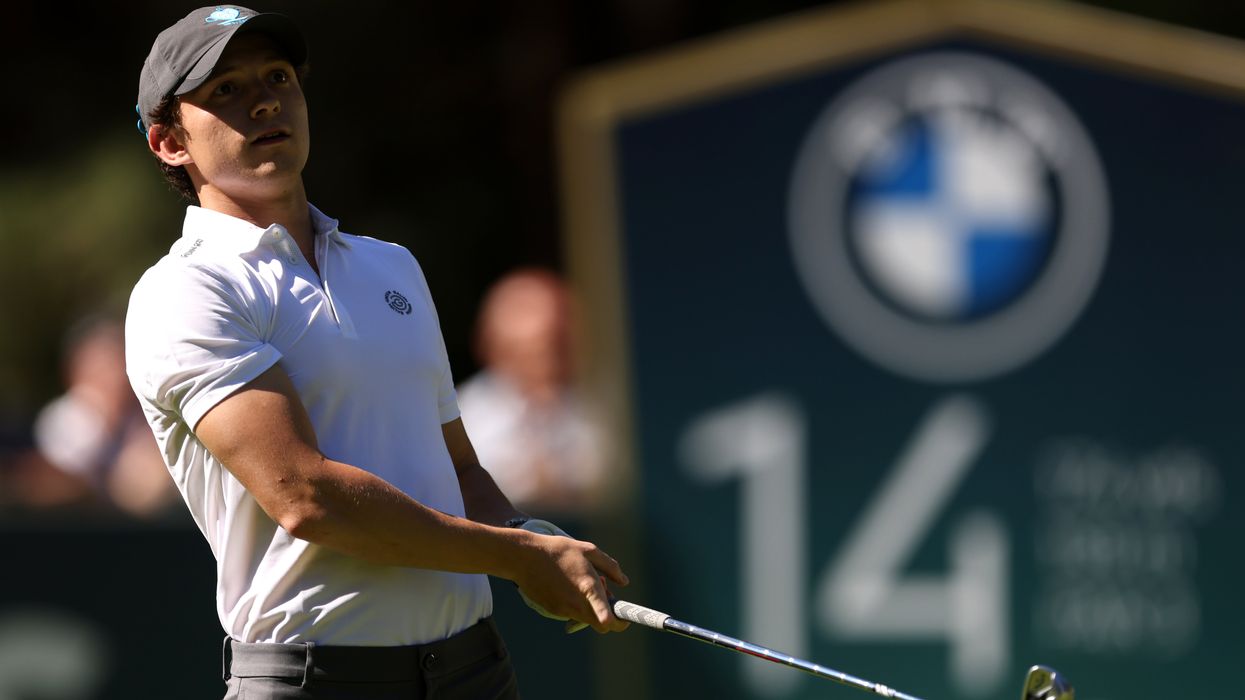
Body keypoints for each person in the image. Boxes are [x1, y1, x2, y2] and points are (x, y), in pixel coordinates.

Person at [126, 6, 628, 699]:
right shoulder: (184, 290)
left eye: (277, 77)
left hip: (473, 671)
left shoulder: (390, 268)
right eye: (225, 91)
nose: (265, 99)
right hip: (315, 680)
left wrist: (528, 533)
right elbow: (305, 497)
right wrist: (518, 557)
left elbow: (455, 465)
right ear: (168, 142)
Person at [457, 269, 610, 515]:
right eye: (529, 353)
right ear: (490, 346)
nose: (545, 364)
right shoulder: (463, 415)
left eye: (558, 347)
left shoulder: (601, 409)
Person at [7, 315, 177, 518]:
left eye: (117, 363)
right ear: (76, 370)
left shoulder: (142, 416)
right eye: (103, 365)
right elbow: (56, 485)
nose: (115, 376)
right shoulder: (65, 418)